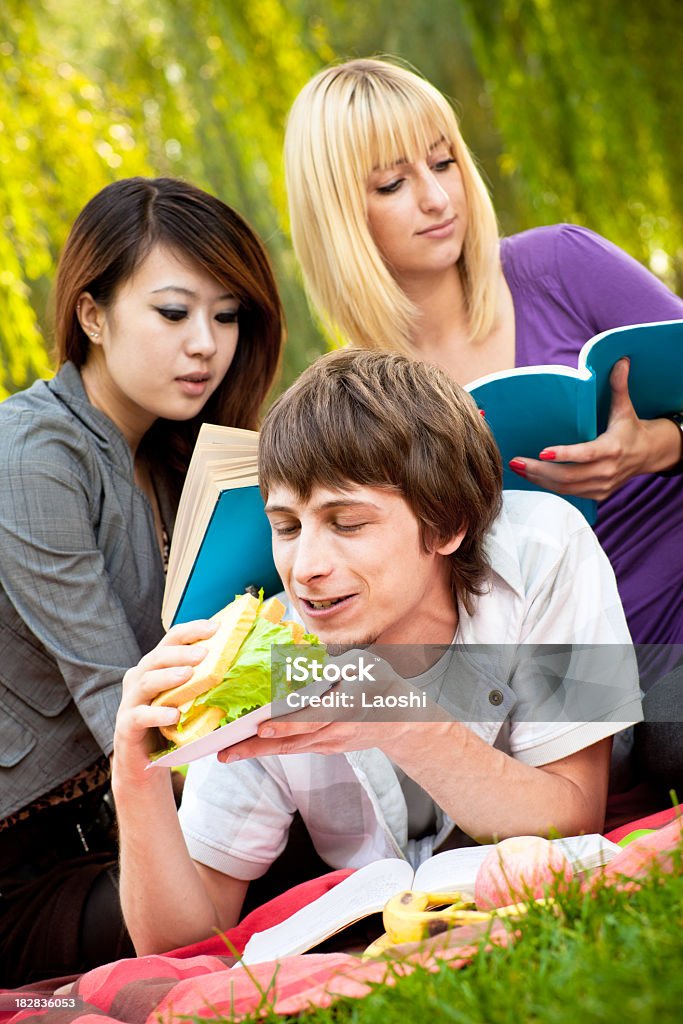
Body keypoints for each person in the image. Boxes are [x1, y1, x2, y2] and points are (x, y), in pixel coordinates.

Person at [113, 349, 641, 956]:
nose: (304, 569)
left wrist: (405, 723)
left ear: (445, 525)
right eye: (287, 527)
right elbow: (181, 942)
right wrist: (133, 775)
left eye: (347, 523)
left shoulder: (546, 546)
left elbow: (573, 816)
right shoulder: (268, 660)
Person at [283, 57, 683, 796]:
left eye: (443, 162)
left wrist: (656, 445)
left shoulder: (559, 265)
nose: (437, 198)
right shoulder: (354, 396)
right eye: (392, 184)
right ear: (339, 214)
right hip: (557, 669)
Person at [0, 176, 283, 985]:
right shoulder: (29, 459)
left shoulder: (183, 459)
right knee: (266, 877)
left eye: (227, 316)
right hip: (24, 873)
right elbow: (123, 705)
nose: (206, 344)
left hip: (134, 825)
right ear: (92, 315)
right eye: (173, 312)